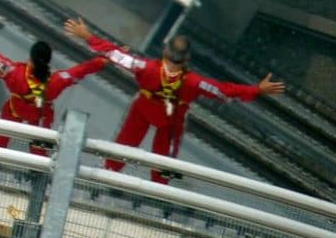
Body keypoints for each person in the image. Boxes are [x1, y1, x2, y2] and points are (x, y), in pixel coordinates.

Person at [64, 17, 285, 183]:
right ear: (187, 58)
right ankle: (159, 196)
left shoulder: (147, 68)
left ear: (165, 51)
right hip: (172, 118)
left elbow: (118, 56)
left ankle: (102, 179)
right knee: (164, 163)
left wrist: (88, 37)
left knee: (123, 148)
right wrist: (256, 89)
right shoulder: (194, 82)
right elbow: (223, 91)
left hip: (143, 107)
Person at [0, 23, 106, 156]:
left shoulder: (15, 73)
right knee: (40, 144)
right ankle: (39, 170)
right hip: (40, 115)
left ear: (30, 57)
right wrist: (100, 61)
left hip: (15, 109)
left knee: (1, 135)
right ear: (47, 61)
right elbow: (79, 70)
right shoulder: (56, 81)